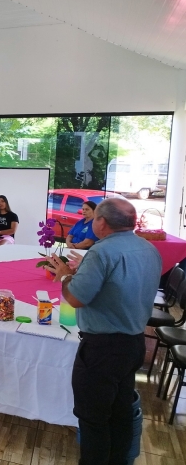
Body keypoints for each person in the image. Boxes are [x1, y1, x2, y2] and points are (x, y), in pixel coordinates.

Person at [47, 198, 161, 465]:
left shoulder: (101, 252)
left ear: (102, 222)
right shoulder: (149, 249)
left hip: (102, 350)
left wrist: (65, 275)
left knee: (93, 420)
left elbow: (75, 298)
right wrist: (82, 273)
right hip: (134, 342)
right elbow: (119, 287)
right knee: (120, 413)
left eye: (94, 216)